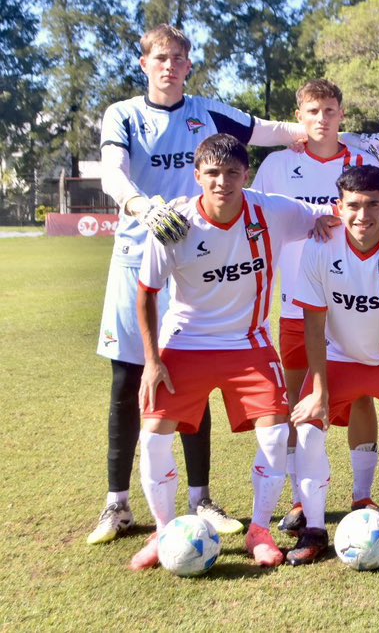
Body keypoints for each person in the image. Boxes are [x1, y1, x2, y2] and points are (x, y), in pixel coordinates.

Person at [91, 24, 317, 544]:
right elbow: (111, 171)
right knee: (133, 380)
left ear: (189, 65)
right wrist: (142, 206)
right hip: (141, 256)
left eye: (177, 58)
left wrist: (326, 134)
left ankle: (201, 499)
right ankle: (117, 504)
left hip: (205, 258)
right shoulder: (122, 114)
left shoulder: (209, 112)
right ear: (143, 63)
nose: (168, 65)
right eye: (159, 57)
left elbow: (272, 131)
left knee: (199, 372)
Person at [129, 134, 336, 570]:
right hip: (185, 342)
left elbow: (341, 216)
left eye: (232, 173)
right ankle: (164, 530)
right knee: (152, 440)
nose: (222, 182)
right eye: (213, 174)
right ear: (197, 176)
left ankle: (260, 528)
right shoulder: (174, 223)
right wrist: (152, 361)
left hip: (249, 342)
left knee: (278, 434)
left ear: (247, 175)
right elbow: (146, 293)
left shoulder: (273, 211)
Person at [249, 78, 379, 536]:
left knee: (362, 392)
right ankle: (299, 498)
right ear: (299, 116)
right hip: (296, 304)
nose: (321, 119)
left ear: (341, 114)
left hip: (355, 304)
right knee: (297, 399)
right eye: (312, 111)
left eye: (329, 110)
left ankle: (362, 493)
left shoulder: (363, 160)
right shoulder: (277, 164)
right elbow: (257, 217)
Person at [287, 165, 379, 568]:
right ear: (340, 205)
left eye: (374, 204)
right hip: (338, 358)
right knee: (307, 427)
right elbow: (314, 327)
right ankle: (315, 529)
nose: (362, 215)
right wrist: (318, 393)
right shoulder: (320, 244)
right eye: (353, 205)